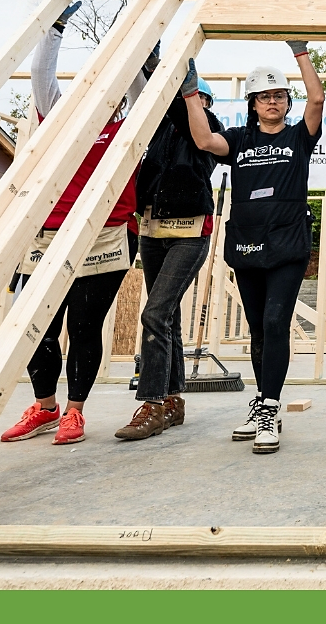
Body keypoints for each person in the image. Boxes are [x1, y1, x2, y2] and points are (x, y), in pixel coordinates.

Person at [0, 1, 146, 446]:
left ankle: (75, 413)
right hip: (48, 234)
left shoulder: (128, 128)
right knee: (35, 326)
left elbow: (142, 91)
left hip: (105, 234)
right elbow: (42, 80)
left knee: (84, 326)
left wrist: (136, 38)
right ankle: (45, 407)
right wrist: (56, 27)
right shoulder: (59, 121)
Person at [183, 41, 324, 454]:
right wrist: (192, 95)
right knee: (259, 328)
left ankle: (268, 406)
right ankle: (266, 403)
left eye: (279, 95)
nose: (273, 101)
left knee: (277, 321)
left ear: (286, 100)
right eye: (265, 96)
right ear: (253, 103)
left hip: (287, 243)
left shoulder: (300, 137)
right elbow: (206, 141)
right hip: (247, 243)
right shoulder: (241, 140)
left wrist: (300, 53)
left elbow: (317, 98)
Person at [115, 74, 222, 440]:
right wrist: (148, 65)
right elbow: (144, 99)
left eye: (197, 99)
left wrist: (178, 86)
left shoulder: (210, 130)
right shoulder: (158, 131)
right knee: (168, 316)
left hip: (190, 234)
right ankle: (175, 399)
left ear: (204, 101)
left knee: (154, 313)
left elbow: (182, 114)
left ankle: (152, 403)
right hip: (153, 231)